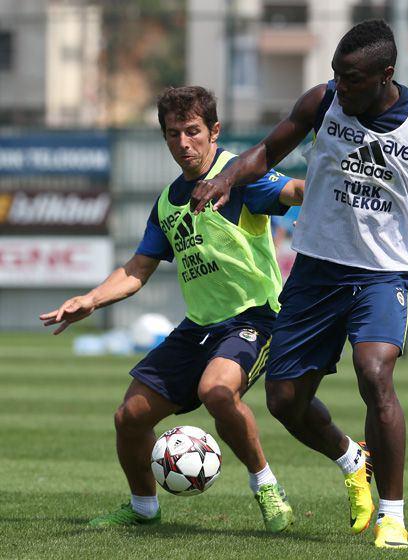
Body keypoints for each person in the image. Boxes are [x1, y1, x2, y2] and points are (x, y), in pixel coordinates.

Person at [189, 20, 408, 549]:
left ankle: (392, 516)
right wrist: (226, 178)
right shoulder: (323, 102)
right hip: (317, 270)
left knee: (374, 373)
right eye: (336, 75)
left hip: (383, 273)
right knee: (284, 400)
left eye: (352, 79)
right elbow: (268, 151)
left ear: (385, 75)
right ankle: (353, 458)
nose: (340, 86)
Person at [40, 86, 304, 532]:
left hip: (253, 318)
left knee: (216, 391)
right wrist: (90, 299)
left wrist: (336, 187)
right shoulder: (167, 202)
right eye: (173, 134)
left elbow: (294, 190)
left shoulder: (238, 176)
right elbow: (137, 269)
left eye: (193, 131)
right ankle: (143, 507)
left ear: (214, 131)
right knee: (129, 417)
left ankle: (266, 486)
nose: (183, 143)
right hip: (198, 327)